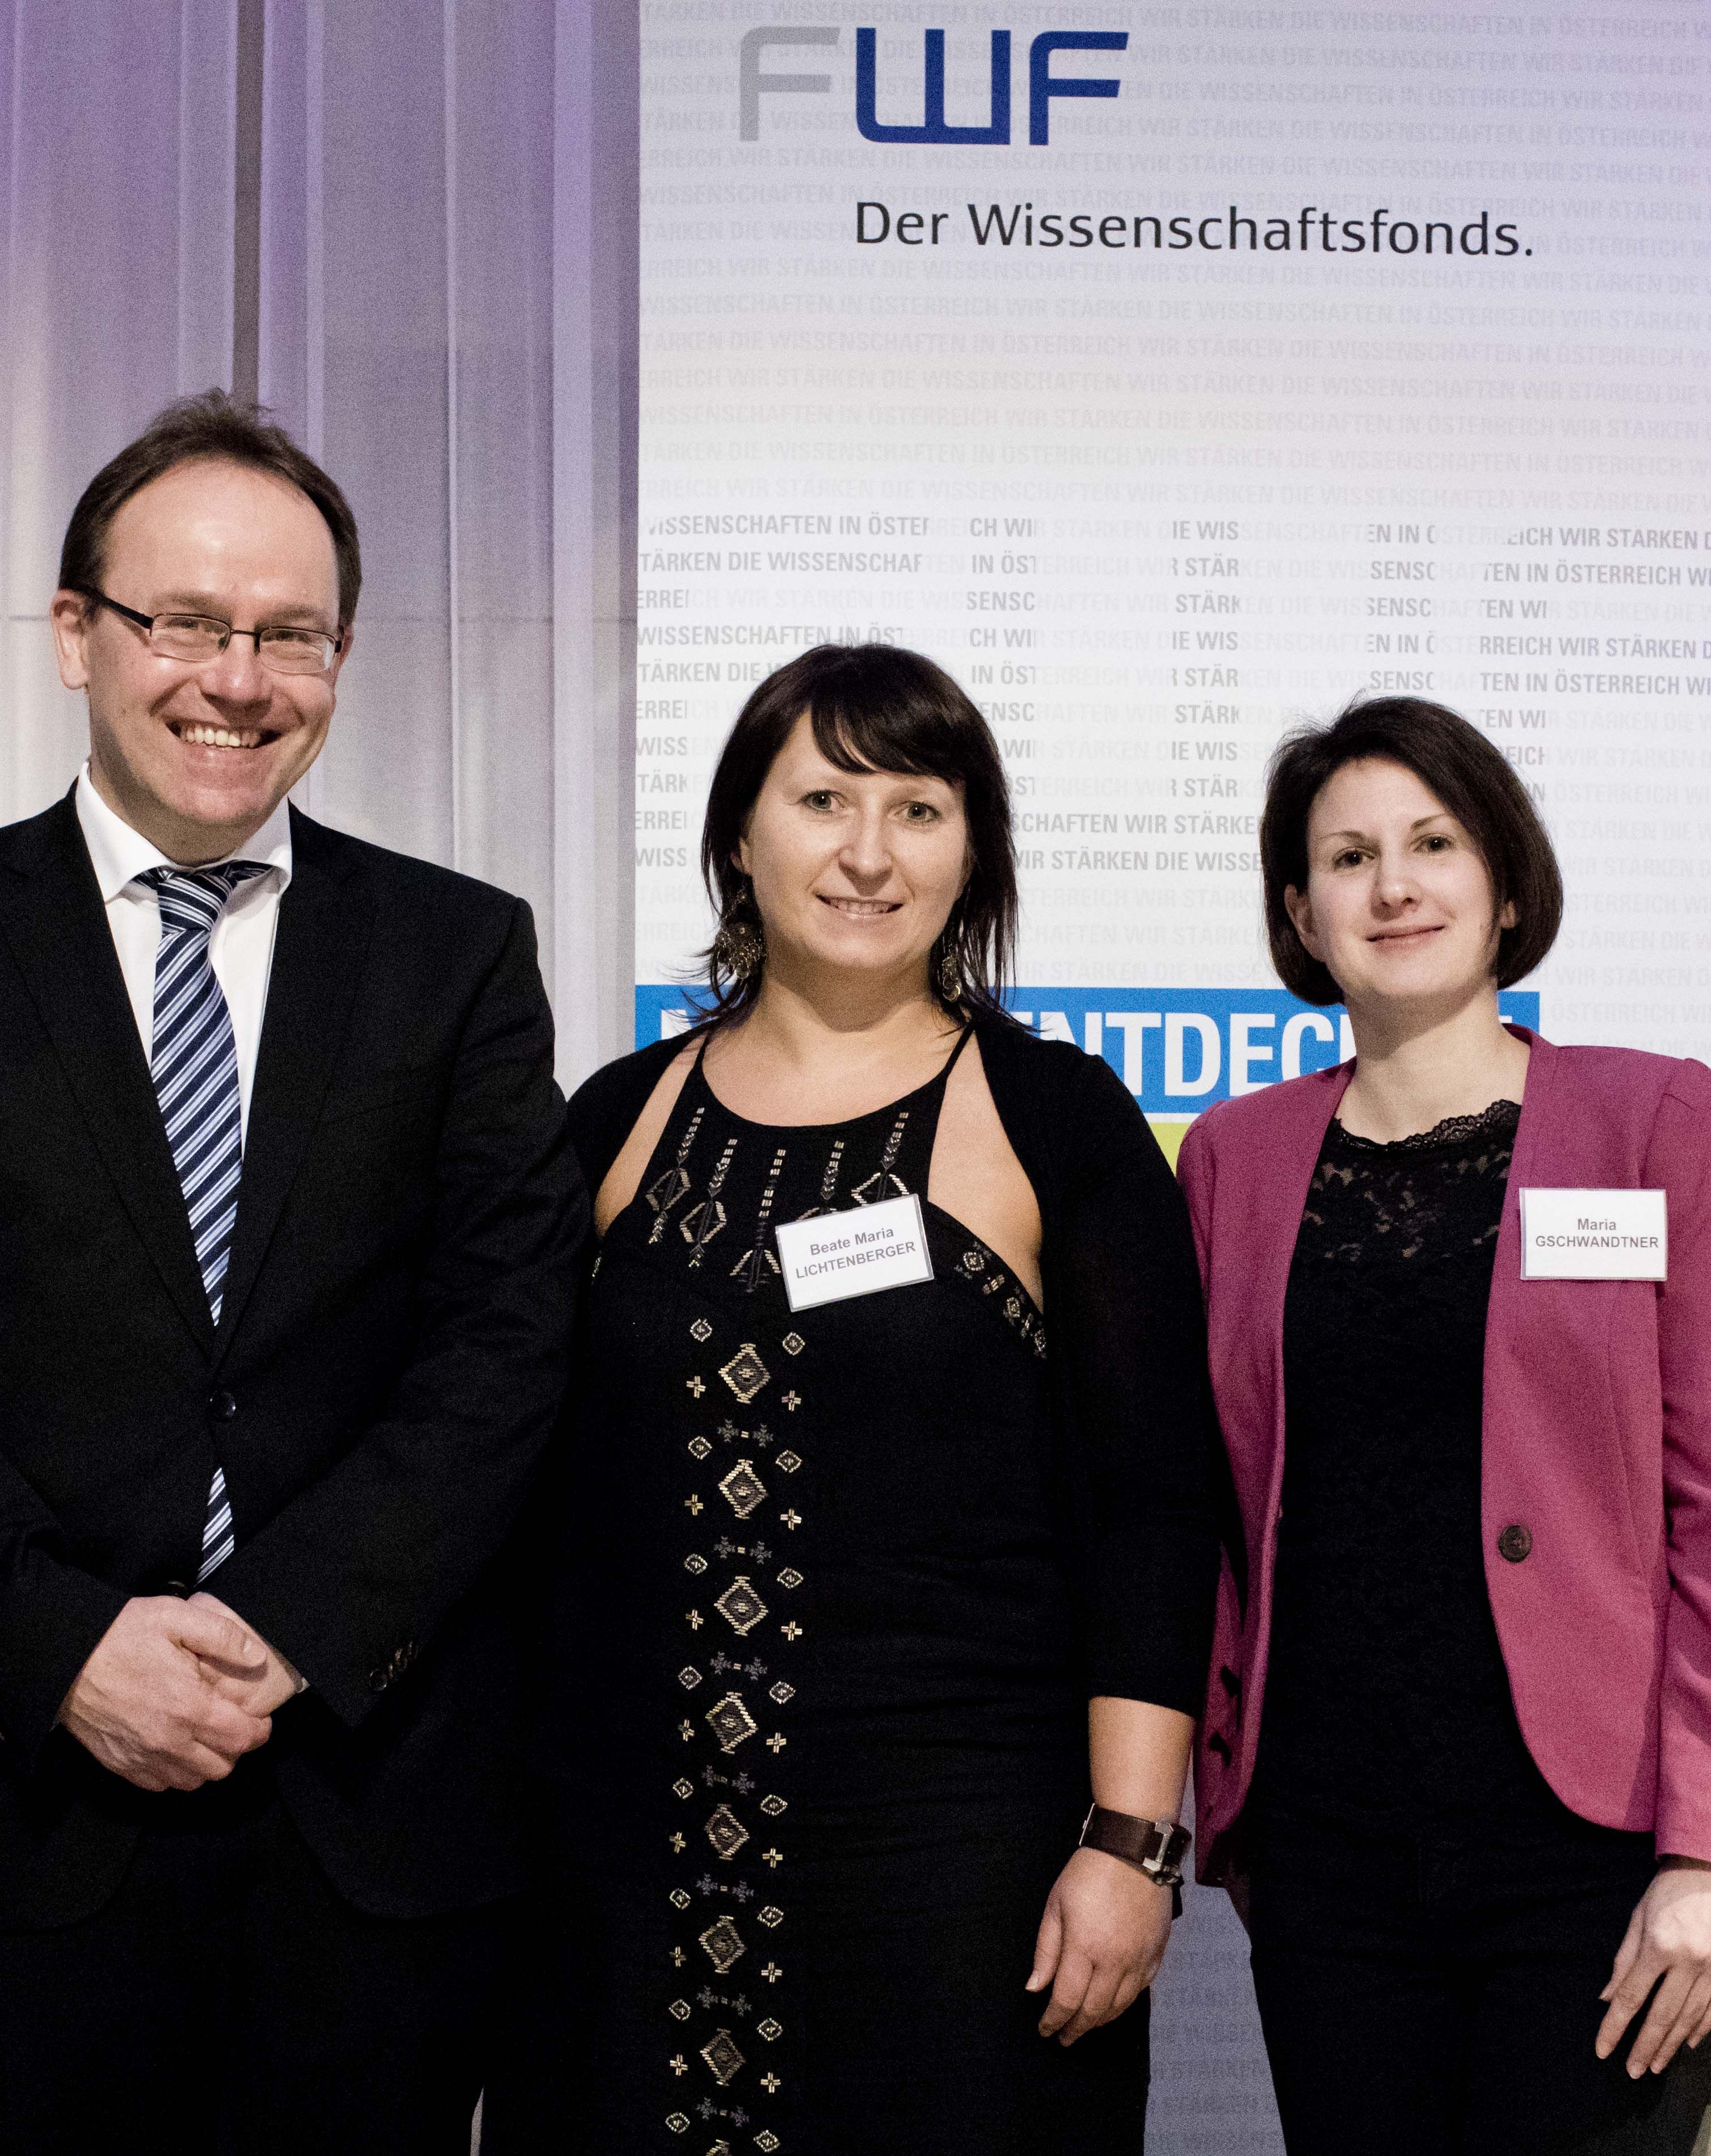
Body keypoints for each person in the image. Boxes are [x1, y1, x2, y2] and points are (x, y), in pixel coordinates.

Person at [0, 390, 587, 2153]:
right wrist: (69, 1647)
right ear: (77, 634)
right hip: (20, 1788)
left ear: (342, 656)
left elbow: (505, 1345)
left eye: (288, 634)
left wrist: (293, 1623)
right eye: (187, 622)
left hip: (372, 1790)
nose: (237, 677)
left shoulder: (456, 954)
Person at [487, 644, 1222, 2154]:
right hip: (622, 1867)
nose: (869, 853)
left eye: (920, 807)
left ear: (975, 852)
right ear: (738, 840)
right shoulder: (614, 1122)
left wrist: (1130, 1845)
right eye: (822, 798)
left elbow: (1153, 1506)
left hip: (959, 1878)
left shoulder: (1056, 1122)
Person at [1179, 697, 1711, 2154]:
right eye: (1347, 857)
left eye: (1432, 843)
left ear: (1505, 883)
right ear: (1299, 912)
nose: (1393, 886)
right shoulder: (1232, 1161)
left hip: (1586, 1844)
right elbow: (1211, 1503)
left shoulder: (1657, 1123)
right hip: (1327, 1849)